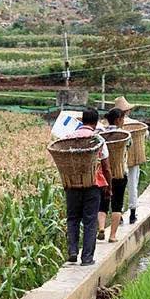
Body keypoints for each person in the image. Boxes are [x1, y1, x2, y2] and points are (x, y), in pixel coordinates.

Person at [64, 107, 111, 266]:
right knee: (90, 220)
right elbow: (106, 167)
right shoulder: (98, 140)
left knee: (73, 218)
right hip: (92, 184)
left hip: (72, 184)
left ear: (82, 121)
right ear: (96, 122)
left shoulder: (69, 138)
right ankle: (87, 258)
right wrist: (109, 186)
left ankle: (73, 250)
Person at [97, 107, 130, 242]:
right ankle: (112, 236)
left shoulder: (102, 136)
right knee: (117, 204)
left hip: (105, 174)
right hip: (120, 173)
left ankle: (101, 228)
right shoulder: (125, 135)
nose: (123, 121)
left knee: (103, 203)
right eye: (122, 119)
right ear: (118, 120)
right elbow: (129, 147)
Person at [113, 96, 143, 224]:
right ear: (127, 111)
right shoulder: (135, 123)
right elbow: (145, 133)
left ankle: (118, 216)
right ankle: (132, 215)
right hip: (133, 158)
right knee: (132, 185)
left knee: (117, 189)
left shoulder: (112, 125)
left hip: (118, 161)